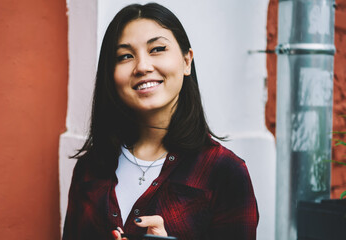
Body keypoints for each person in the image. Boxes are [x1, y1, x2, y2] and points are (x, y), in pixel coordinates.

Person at [62, 3, 259, 240]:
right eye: (125, 56)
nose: (142, 66)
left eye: (157, 49)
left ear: (187, 61)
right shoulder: (90, 168)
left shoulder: (225, 171)